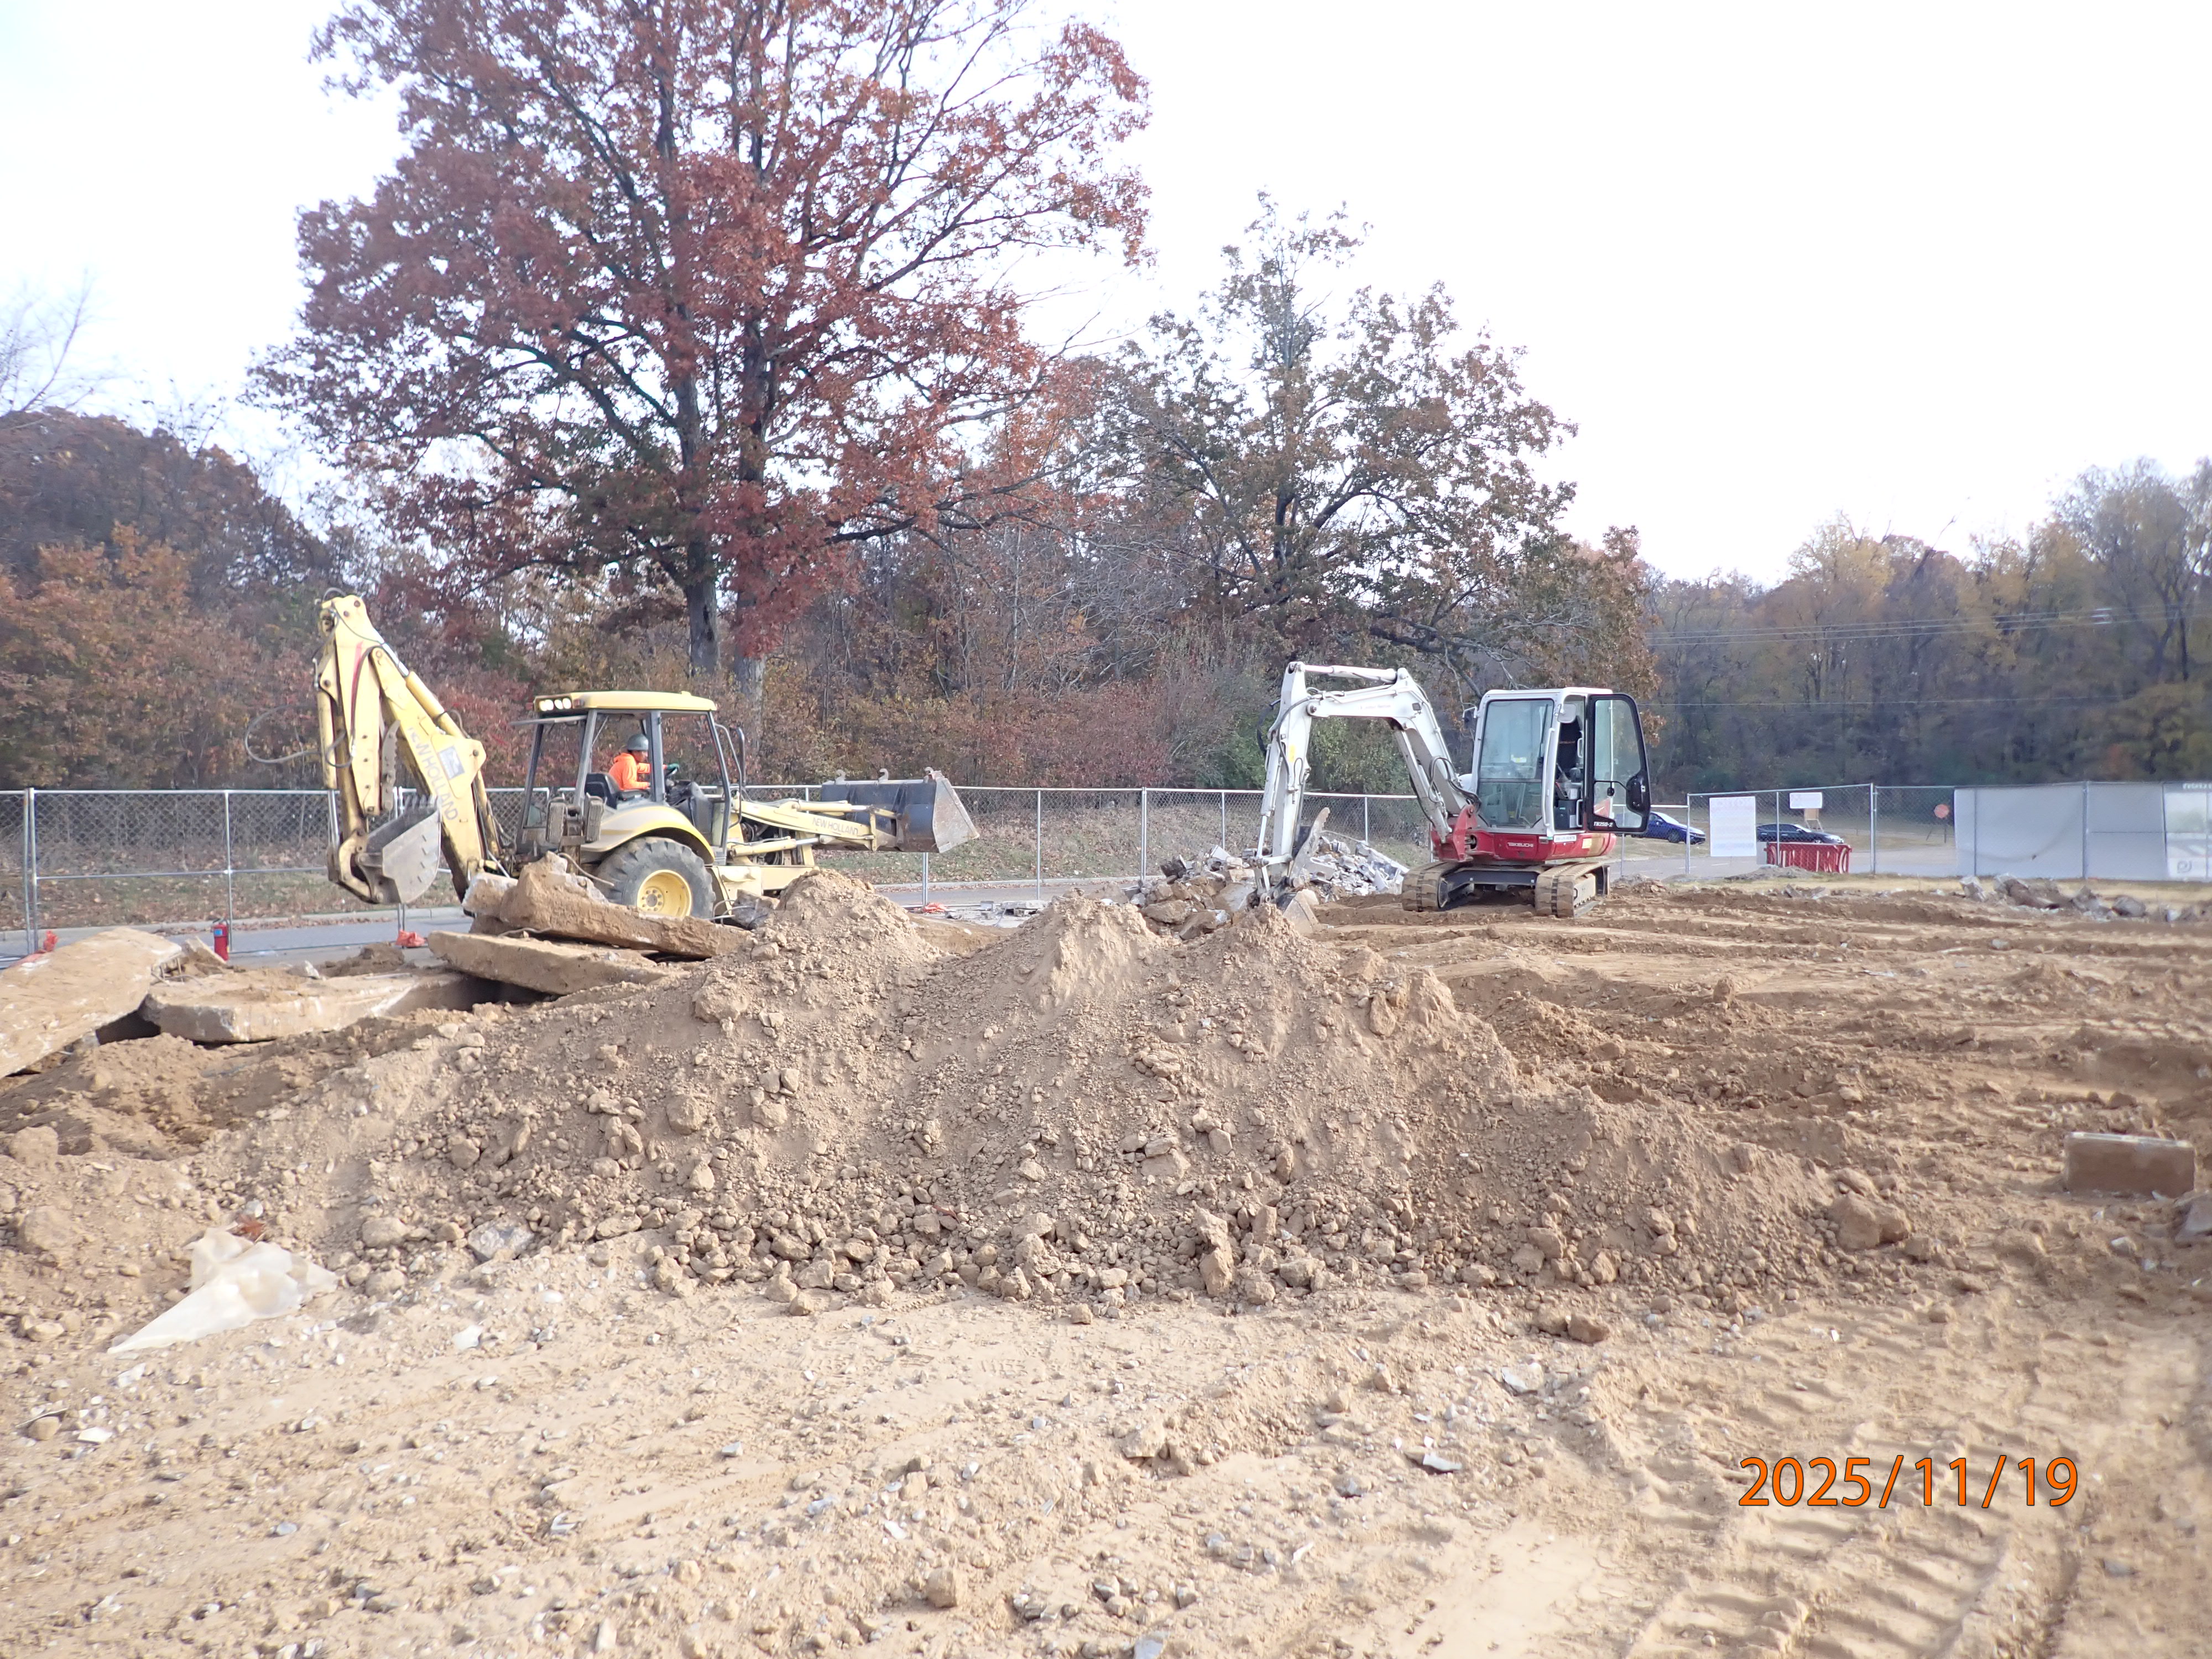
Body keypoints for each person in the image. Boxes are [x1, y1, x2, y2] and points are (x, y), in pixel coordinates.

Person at [608, 733, 652, 797]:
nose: (647, 755)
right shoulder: (629, 762)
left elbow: (645, 768)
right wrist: (648, 784)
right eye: (645, 752)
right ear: (636, 752)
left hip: (620, 796)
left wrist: (665, 767)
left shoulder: (629, 760)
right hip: (620, 798)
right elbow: (629, 785)